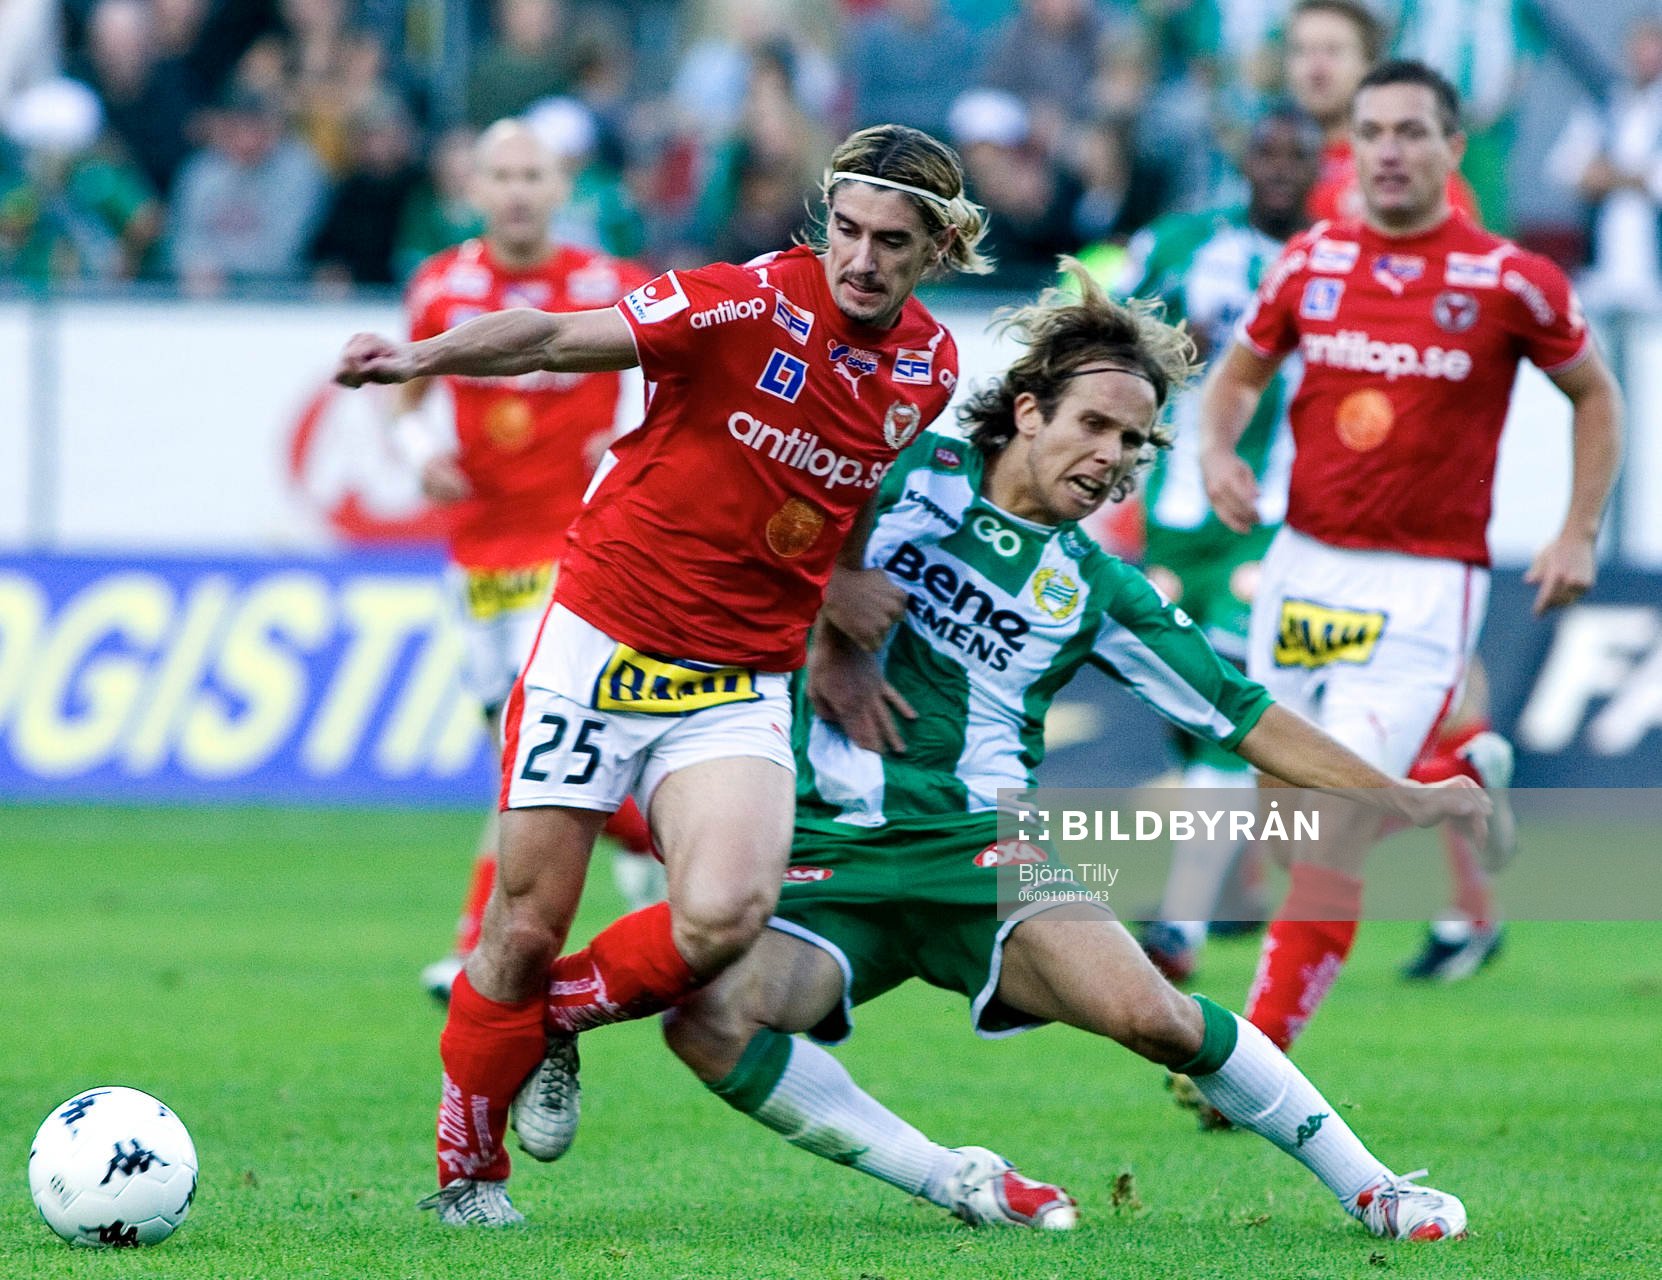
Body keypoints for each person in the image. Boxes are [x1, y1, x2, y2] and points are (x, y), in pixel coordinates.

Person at [653, 261, 1487, 1241]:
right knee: (705, 1020)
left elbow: (1243, 713)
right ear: (1028, 410)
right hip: (829, 844)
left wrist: (1397, 791)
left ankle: (1376, 1187)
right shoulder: (905, 470)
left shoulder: (1099, 585)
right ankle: (953, 1177)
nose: (1112, 455)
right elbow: (749, 509)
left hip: (982, 852)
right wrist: (832, 604)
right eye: (1094, 424)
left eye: (1134, 442)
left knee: (1158, 1018)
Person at [333, 123, 989, 1225]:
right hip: (602, 638)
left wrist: (834, 613)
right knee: (526, 924)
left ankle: (549, 1022)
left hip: (738, 673)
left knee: (727, 911)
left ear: (937, 250)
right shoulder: (742, 302)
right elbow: (549, 335)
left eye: (892, 242)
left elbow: (848, 498)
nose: (862, 259)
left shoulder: (930, 366)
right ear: (826, 217)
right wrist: (424, 358)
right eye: (849, 229)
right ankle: (467, 1179)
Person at [1196, 61, 1622, 1060]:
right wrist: (1219, 453)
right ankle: (1456, 776)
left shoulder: (1509, 278)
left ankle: (1254, 1060)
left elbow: (1597, 396)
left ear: (1450, 147)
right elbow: (1235, 379)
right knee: (1287, 826)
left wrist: (1578, 529)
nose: (1390, 150)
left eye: (1410, 131)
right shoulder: (1309, 262)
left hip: (1425, 581)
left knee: (1333, 834)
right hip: (1303, 564)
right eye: (1373, 131)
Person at [390, 120, 660, 1005]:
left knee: (526, 741)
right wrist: (415, 452)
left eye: (531, 175)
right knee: (528, 753)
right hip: (475, 552)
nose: (514, 190)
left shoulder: (604, 284)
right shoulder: (442, 285)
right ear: (473, 186)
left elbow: (677, 375)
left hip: (571, 547)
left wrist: (626, 448)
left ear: (561, 186)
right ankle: (659, 848)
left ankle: (479, 949)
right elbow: (406, 398)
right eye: (499, 174)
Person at [1112, 107, 1322, 982]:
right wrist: (1167, 355)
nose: (1279, 166)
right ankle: (1225, 887)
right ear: (1242, 156)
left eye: (1297, 153)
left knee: (1223, 707)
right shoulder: (1177, 242)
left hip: (1268, 518)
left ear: (1317, 165)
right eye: (1265, 149)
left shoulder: (1337, 259)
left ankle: (1183, 928)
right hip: (1172, 519)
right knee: (1180, 704)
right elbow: (1105, 341)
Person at [1284, 0, 1476, 225]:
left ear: (1369, 65)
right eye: (1302, 51)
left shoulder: (1409, 167)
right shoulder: (1263, 162)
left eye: (1333, 51)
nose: (1315, 68)